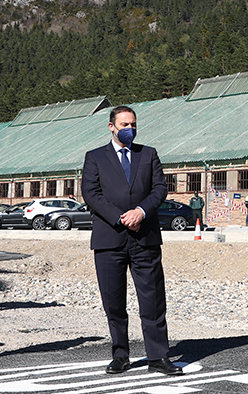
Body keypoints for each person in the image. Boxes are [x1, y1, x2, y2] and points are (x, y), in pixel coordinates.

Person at [82, 106, 183, 376]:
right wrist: (119, 217)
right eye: (124, 124)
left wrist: (141, 211)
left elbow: (160, 188)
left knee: (152, 300)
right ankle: (120, 355)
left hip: (144, 237)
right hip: (109, 239)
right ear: (111, 126)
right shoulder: (94, 158)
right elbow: (90, 194)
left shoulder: (148, 154)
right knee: (113, 302)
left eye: (133, 124)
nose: (130, 129)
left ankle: (158, 357)